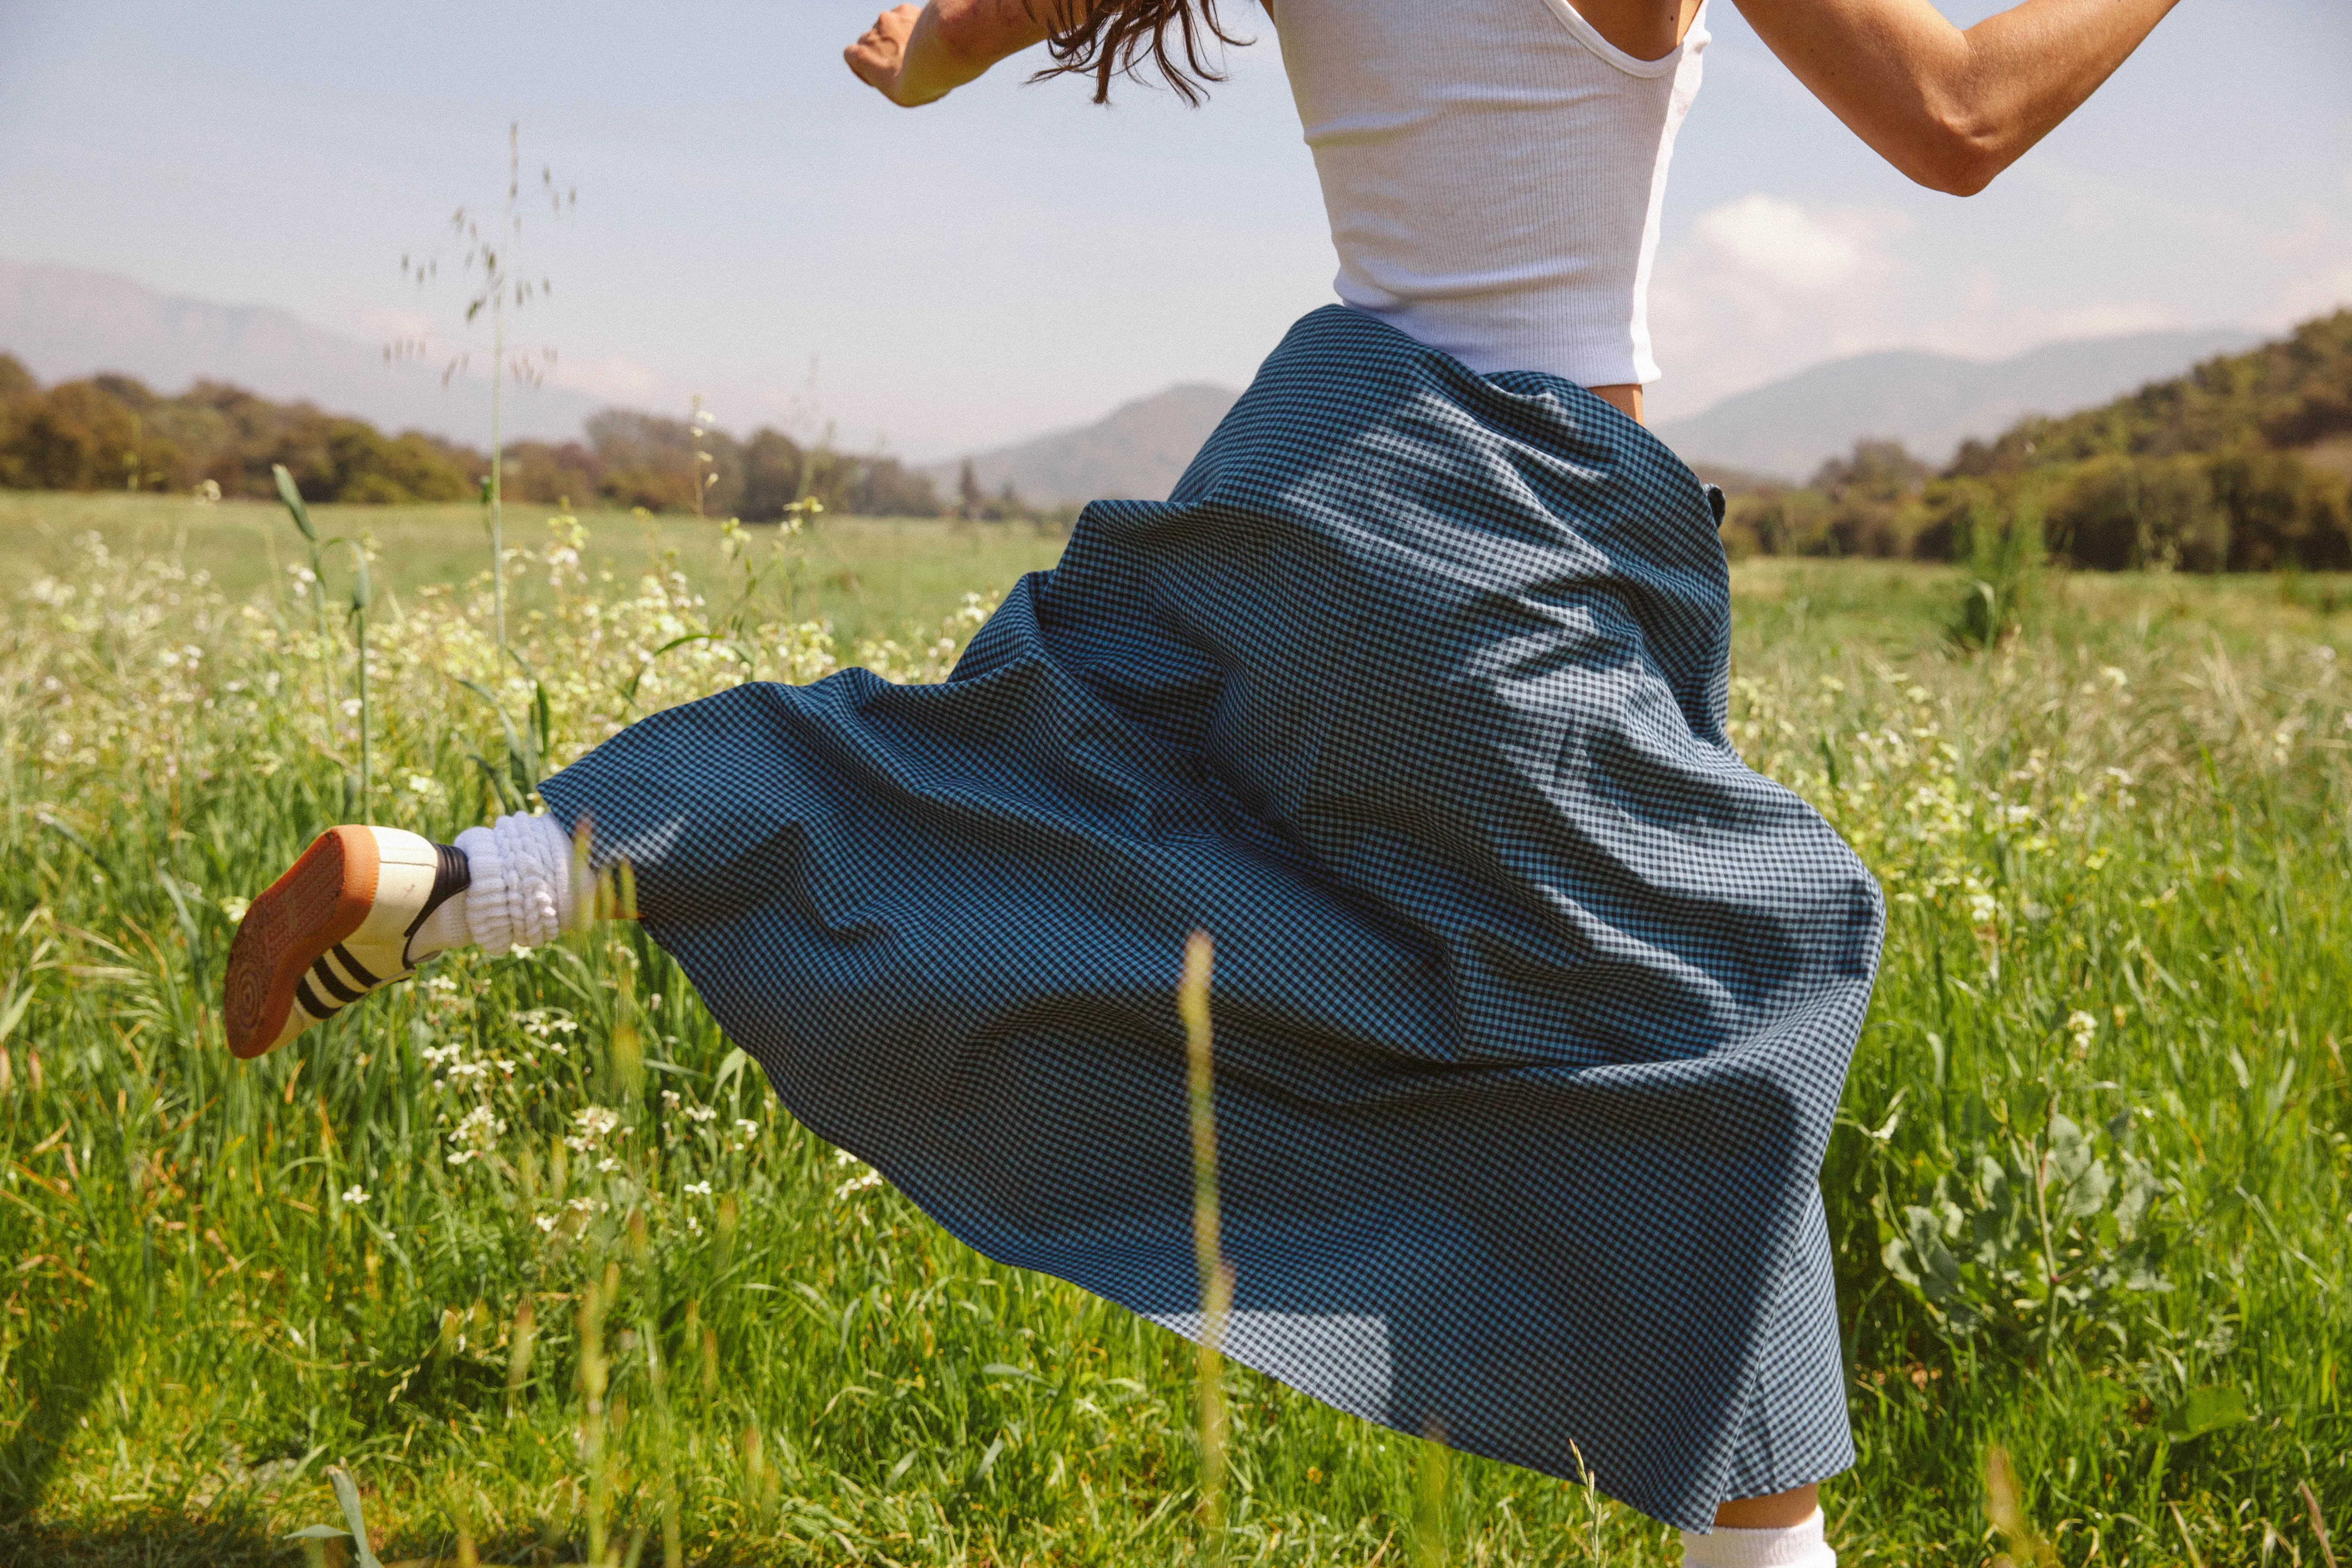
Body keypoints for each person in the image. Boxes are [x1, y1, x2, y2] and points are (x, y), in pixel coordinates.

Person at [223, 0, 2179, 1555]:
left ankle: (468, 875)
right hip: (1508, 528)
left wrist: (931, 54)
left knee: (1014, 804)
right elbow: (1959, 111)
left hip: (1299, 476)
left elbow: (960, 40)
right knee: (1746, 985)